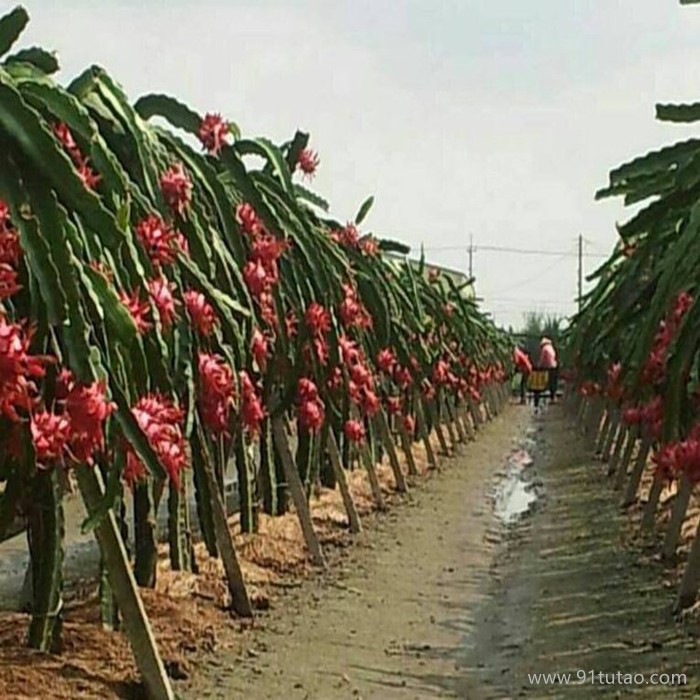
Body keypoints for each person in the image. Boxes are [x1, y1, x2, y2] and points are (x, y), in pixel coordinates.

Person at [538, 337, 558, 402]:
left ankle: (552, 397)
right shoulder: (551, 348)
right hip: (554, 366)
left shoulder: (544, 349)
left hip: (549, 367)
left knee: (550, 382)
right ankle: (553, 397)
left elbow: (542, 358)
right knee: (553, 382)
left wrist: (540, 365)